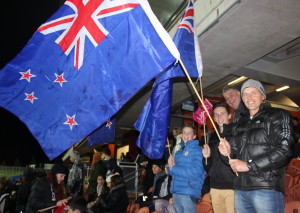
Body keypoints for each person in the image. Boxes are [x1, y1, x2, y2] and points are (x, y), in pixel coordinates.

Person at [218, 79, 293, 213]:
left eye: (253, 92)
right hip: (241, 189)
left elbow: (285, 150)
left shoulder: (277, 115)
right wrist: (226, 153)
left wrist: (249, 165)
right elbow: (233, 159)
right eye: (245, 94)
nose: (249, 97)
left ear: (263, 96)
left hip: (266, 188)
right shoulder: (240, 123)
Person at [202, 102, 235, 213]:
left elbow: (240, 158)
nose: (219, 117)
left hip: (232, 186)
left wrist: (228, 152)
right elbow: (208, 166)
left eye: (222, 113)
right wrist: (206, 158)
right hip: (215, 186)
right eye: (216, 114)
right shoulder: (212, 137)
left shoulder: (236, 133)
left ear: (229, 115)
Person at [167, 124, 206, 213]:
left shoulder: (198, 150)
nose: (186, 135)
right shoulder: (178, 152)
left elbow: (196, 172)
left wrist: (173, 168)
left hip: (188, 192)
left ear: (194, 136)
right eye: (184, 132)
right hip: (176, 191)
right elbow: (172, 172)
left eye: (189, 133)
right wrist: (169, 166)